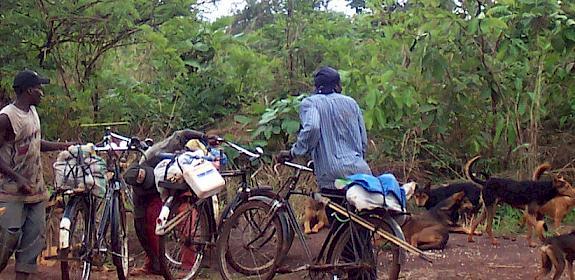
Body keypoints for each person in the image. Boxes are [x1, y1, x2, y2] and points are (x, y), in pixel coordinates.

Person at [276, 66, 374, 279]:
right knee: (361, 231)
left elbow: (312, 129)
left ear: (316, 87)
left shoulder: (310, 103)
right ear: (338, 86)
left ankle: (347, 271)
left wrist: (295, 152)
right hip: (361, 172)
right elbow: (363, 140)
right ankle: (366, 274)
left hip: (333, 176)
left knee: (340, 229)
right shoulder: (351, 103)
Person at [0, 69, 75, 280]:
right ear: (29, 91)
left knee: (32, 243)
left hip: (35, 191)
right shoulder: (7, 118)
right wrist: (18, 178)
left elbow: (34, 143)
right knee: (7, 240)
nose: (42, 93)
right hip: (10, 191)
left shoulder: (32, 113)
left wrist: (64, 146)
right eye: (39, 89)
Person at [124, 129, 220, 276]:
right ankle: (153, 264)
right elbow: (139, 225)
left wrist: (203, 136)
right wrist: (152, 257)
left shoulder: (164, 150)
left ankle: (188, 266)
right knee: (147, 224)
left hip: (178, 182)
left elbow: (182, 134)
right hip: (156, 192)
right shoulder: (139, 182)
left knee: (186, 217)